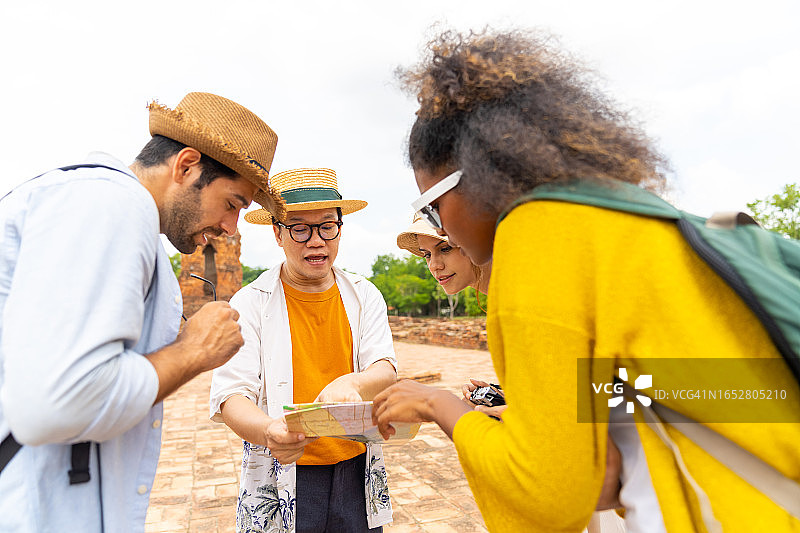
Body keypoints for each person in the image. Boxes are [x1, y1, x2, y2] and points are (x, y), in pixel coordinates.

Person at [372, 29, 800, 533]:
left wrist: (438, 405)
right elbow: (690, 388)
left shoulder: (533, 237)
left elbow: (549, 501)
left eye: (434, 207)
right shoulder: (616, 220)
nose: (443, 230)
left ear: (480, 174)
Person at [0, 92, 282, 532]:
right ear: (186, 166)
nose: (230, 227)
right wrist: (193, 351)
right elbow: (53, 405)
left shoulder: (115, 212)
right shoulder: (113, 202)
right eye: (233, 203)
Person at [210, 168, 397, 533]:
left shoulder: (364, 295)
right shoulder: (250, 304)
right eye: (300, 228)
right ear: (277, 233)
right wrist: (269, 431)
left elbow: (385, 367)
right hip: (283, 466)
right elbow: (231, 395)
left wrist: (355, 383)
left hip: (355, 465)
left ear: (340, 227)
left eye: (327, 226)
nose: (316, 241)